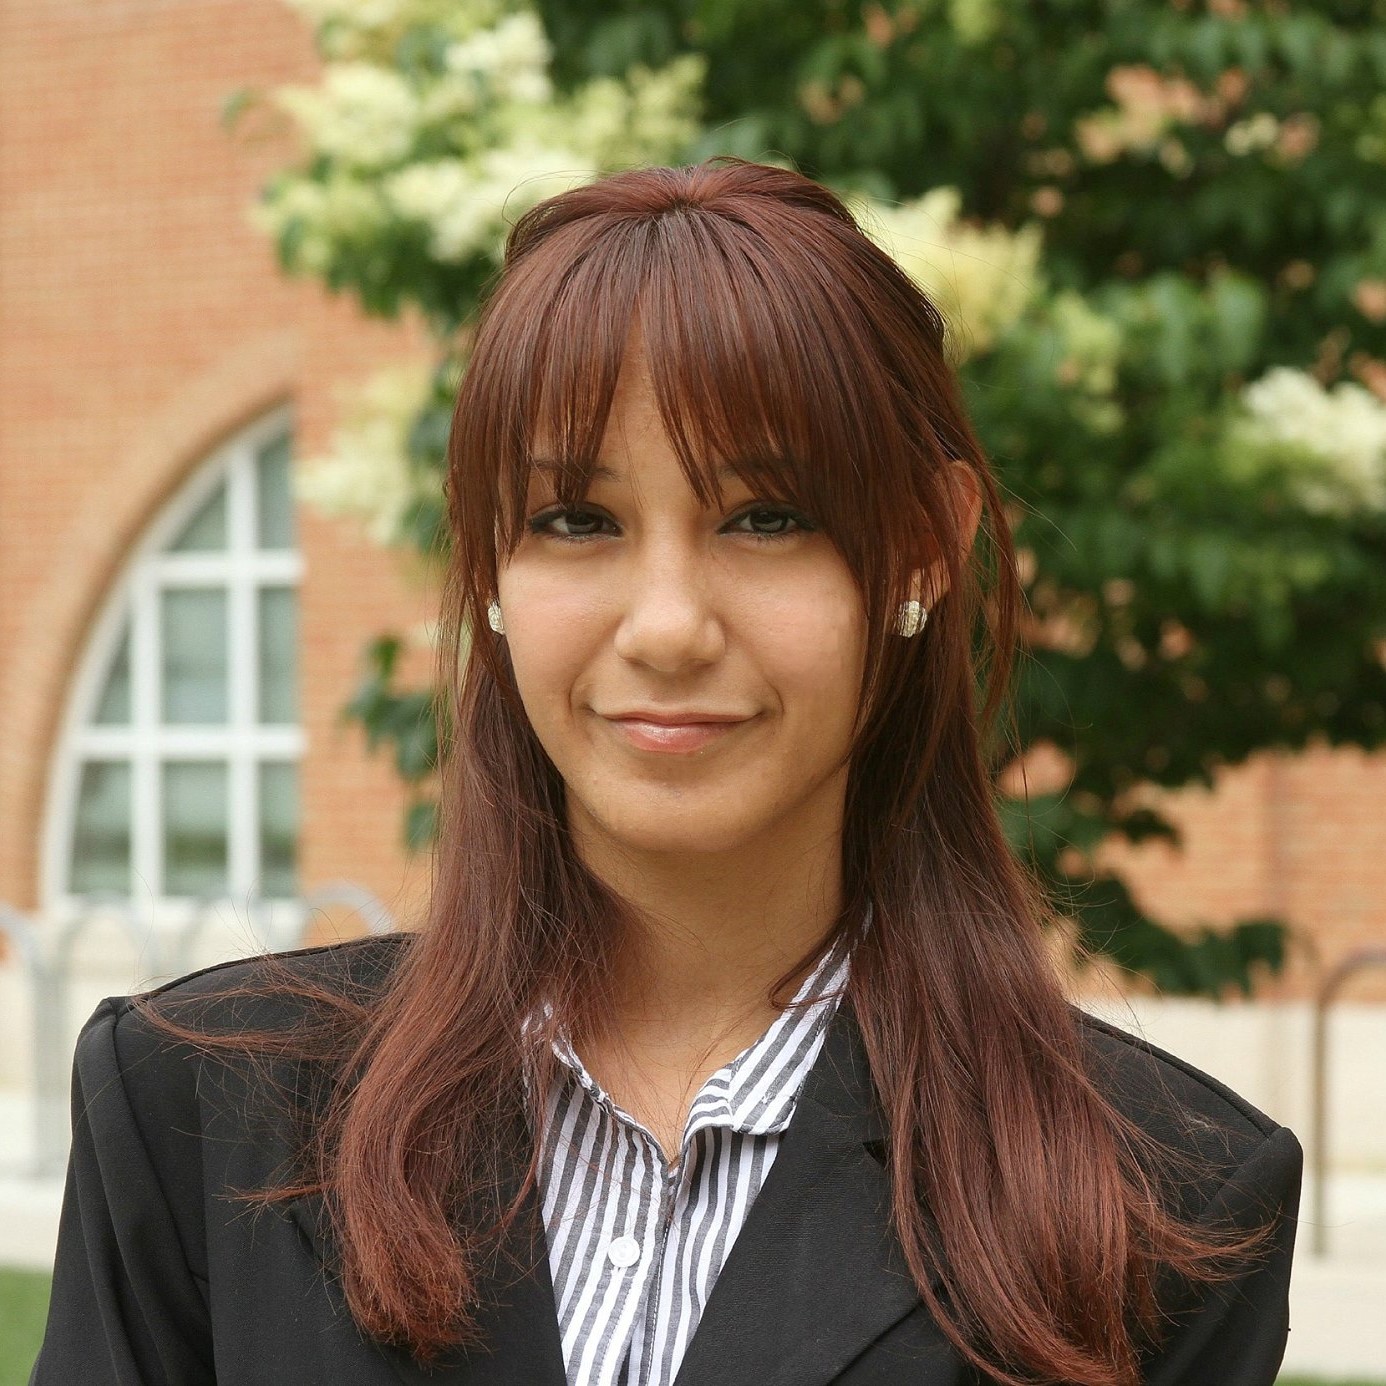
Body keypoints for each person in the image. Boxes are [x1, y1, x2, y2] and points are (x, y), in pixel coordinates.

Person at [31, 158, 1302, 1386]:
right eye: (575, 521)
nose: (666, 626)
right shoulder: (196, 1111)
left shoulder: (1158, 1212)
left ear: (925, 549)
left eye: (766, 517)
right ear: (486, 571)